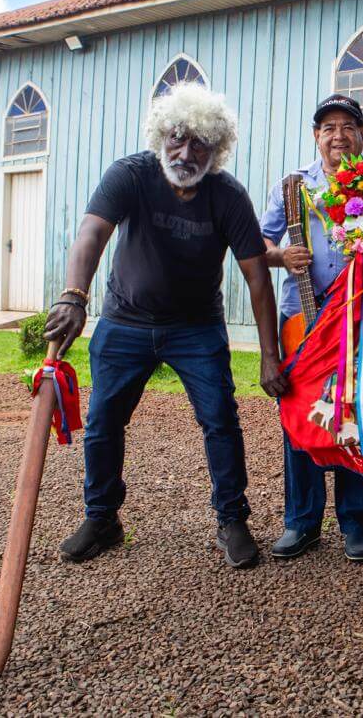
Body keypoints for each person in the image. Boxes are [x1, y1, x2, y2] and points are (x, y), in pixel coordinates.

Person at [44, 81, 287, 570]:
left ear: (216, 150)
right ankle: (103, 518)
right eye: (177, 136)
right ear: (161, 136)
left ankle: (232, 519)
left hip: (196, 327)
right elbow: (92, 232)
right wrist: (74, 296)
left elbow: (256, 274)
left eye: (200, 142)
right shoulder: (130, 174)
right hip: (125, 320)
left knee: (219, 419)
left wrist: (268, 354)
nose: (186, 150)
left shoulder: (227, 195)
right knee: (104, 422)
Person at [261, 93, 363, 562]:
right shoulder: (292, 187)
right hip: (303, 317)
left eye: (348, 126)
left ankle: (357, 524)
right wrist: (281, 255)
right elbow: (257, 244)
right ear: (315, 137)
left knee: (356, 414)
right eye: (328, 127)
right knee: (301, 416)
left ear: (362, 135)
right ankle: (301, 522)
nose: (338, 135)